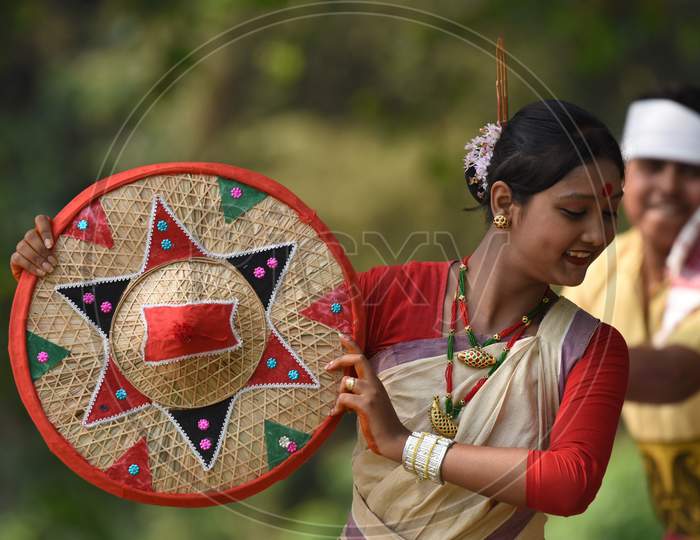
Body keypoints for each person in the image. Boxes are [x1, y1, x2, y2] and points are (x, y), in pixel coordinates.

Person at [11, 100, 629, 538]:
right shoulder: (387, 298)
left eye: (609, 211)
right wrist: (63, 272)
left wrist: (404, 446)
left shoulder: (590, 349)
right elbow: (206, 336)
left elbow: (570, 483)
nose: (598, 234)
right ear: (503, 203)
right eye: (575, 211)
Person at [562, 85, 700, 539]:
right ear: (624, 179)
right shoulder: (608, 263)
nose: (668, 186)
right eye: (653, 166)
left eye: (690, 170)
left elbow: (672, 375)